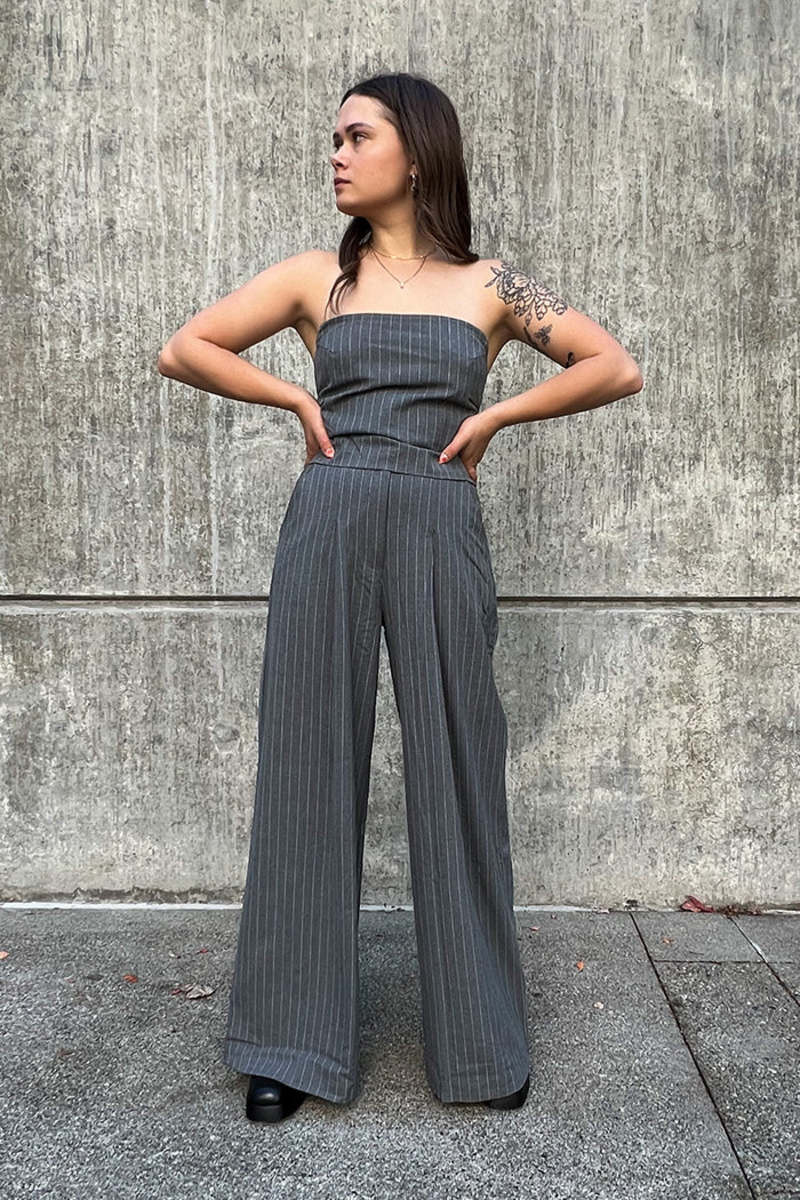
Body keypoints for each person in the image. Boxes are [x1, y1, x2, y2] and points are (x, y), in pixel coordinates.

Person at [157, 72, 643, 1124]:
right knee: (307, 764)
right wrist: (293, 395)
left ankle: (481, 1041)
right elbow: (184, 347)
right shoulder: (313, 279)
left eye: (356, 136)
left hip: (436, 516)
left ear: (416, 154)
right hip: (329, 517)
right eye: (333, 138)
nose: (335, 154)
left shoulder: (491, 285)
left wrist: (495, 419)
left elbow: (613, 366)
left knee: (459, 763)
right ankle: (286, 1042)